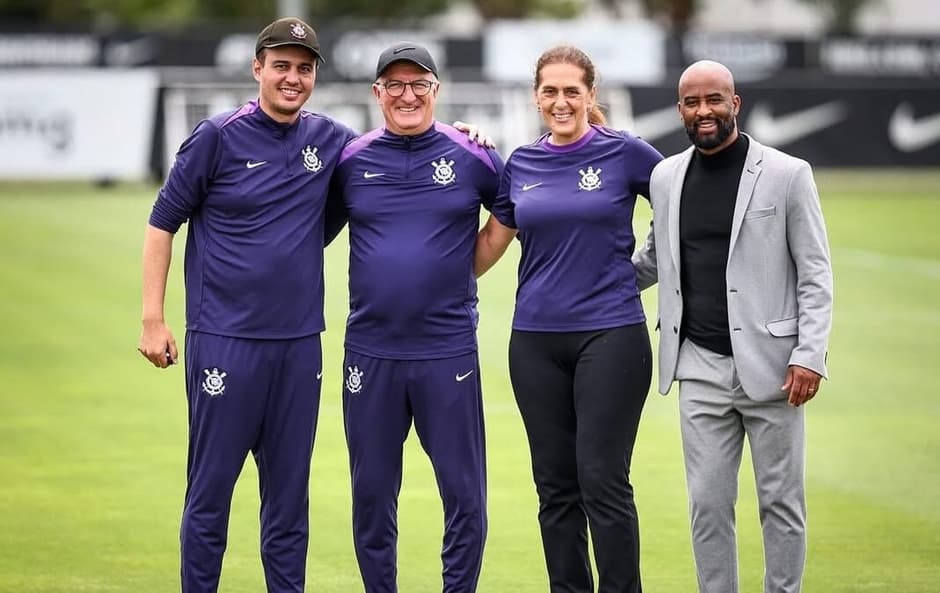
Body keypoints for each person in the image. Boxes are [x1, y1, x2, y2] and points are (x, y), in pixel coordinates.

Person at [137, 17, 360, 593]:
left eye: (304, 68)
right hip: (224, 341)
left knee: (288, 503)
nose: (292, 78)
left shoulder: (332, 140)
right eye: (281, 65)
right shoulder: (217, 136)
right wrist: (153, 318)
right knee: (210, 494)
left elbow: (393, 151)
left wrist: (467, 135)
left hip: (299, 346)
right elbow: (162, 222)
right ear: (257, 67)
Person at [631, 60, 833, 593]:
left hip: (776, 369)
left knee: (780, 503)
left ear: (734, 104)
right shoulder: (665, 177)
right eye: (692, 102)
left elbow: (815, 272)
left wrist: (809, 353)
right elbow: (653, 260)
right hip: (698, 366)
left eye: (714, 100)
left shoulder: (788, 174)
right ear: (680, 109)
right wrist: (580, 279)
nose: (704, 111)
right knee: (708, 505)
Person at [473, 45, 663, 593]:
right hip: (534, 343)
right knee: (555, 488)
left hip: (611, 335)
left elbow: (681, 202)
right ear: (536, 97)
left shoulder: (625, 152)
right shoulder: (521, 163)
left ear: (590, 95)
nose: (561, 101)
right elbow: (487, 247)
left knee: (603, 480)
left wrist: (642, 270)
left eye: (571, 91)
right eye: (550, 91)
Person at [324, 42, 505, 593]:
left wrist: (461, 269)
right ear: (377, 92)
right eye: (395, 85)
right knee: (372, 495)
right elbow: (307, 229)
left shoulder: (472, 154)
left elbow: (511, 211)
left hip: (447, 351)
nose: (408, 95)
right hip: (370, 351)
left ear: (436, 90)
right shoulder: (351, 160)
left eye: (419, 84)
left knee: (464, 494)